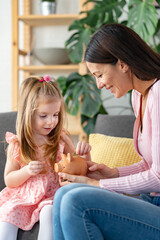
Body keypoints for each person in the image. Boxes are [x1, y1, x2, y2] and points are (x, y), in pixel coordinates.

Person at [52, 23, 160, 240]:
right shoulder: (138, 95)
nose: (98, 85)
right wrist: (113, 173)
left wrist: (99, 184)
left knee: (77, 202)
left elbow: (159, 176)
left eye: (99, 74)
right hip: (151, 200)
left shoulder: (158, 94)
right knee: (64, 193)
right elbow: (150, 164)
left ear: (122, 64)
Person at [0, 75, 91, 240]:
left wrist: (85, 156)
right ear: (29, 114)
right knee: (7, 213)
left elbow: (79, 168)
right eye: (44, 116)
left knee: (49, 212)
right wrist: (26, 171)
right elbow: (9, 180)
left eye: (55, 115)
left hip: (51, 195)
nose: (51, 121)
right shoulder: (18, 144)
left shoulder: (60, 139)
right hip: (23, 198)